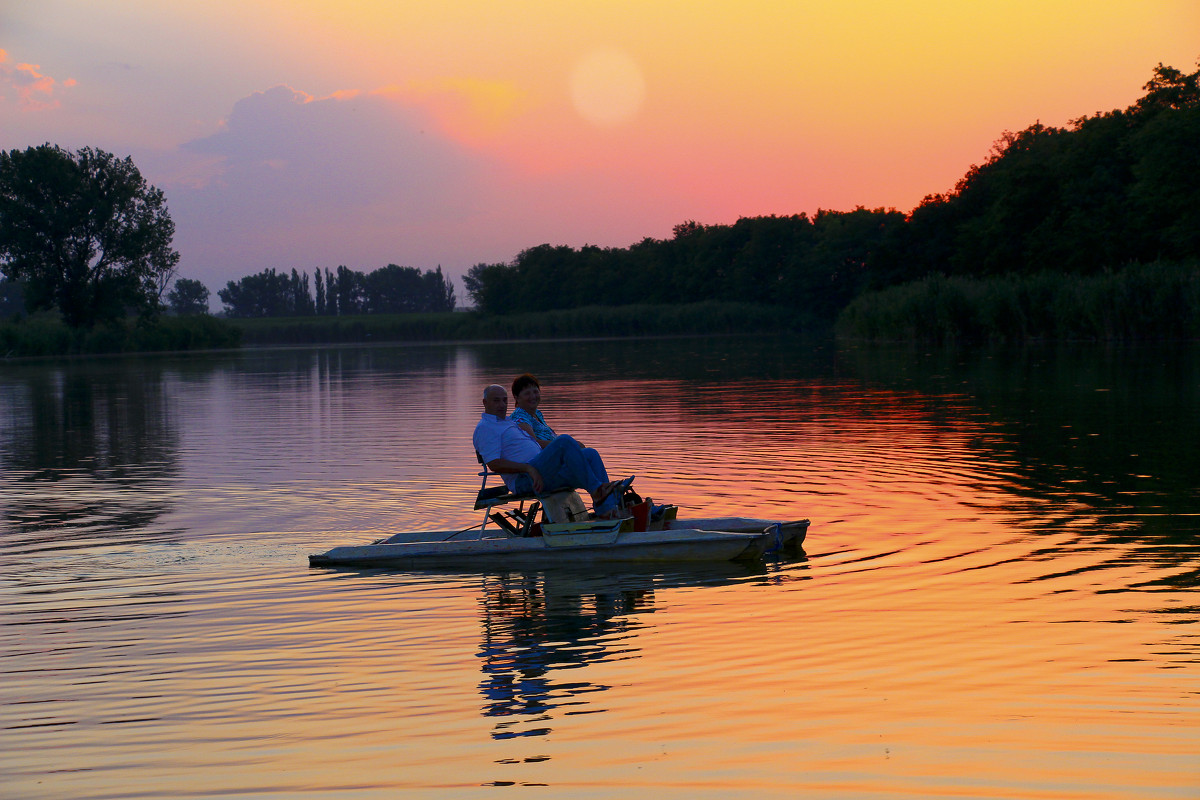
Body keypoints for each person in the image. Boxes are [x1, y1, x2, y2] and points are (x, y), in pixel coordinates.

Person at [472, 383, 624, 518]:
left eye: (505, 400)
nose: (502, 404)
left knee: (590, 454)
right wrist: (528, 468)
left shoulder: (507, 422)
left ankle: (607, 510)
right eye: (496, 400)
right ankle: (597, 490)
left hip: (542, 472)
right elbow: (494, 464)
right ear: (485, 402)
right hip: (525, 480)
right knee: (563, 441)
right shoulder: (486, 427)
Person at [508, 372, 619, 497]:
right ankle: (603, 495)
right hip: (540, 469)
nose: (533, 396)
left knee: (591, 453)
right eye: (527, 393)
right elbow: (532, 443)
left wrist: (573, 448)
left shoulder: (537, 414)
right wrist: (566, 446)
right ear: (517, 397)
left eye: (535, 391)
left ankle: (609, 502)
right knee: (565, 441)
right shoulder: (519, 416)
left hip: (553, 465)